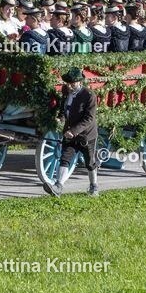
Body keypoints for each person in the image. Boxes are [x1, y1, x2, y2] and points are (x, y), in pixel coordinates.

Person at [44, 68, 99, 197]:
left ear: (80, 82)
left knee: (90, 163)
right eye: (68, 83)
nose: (69, 86)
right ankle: (58, 187)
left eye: (72, 83)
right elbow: (64, 109)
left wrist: (74, 131)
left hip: (87, 135)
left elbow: (89, 119)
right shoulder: (66, 91)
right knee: (65, 159)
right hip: (69, 134)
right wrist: (61, 118)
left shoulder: (89, 95)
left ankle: (94, 186)